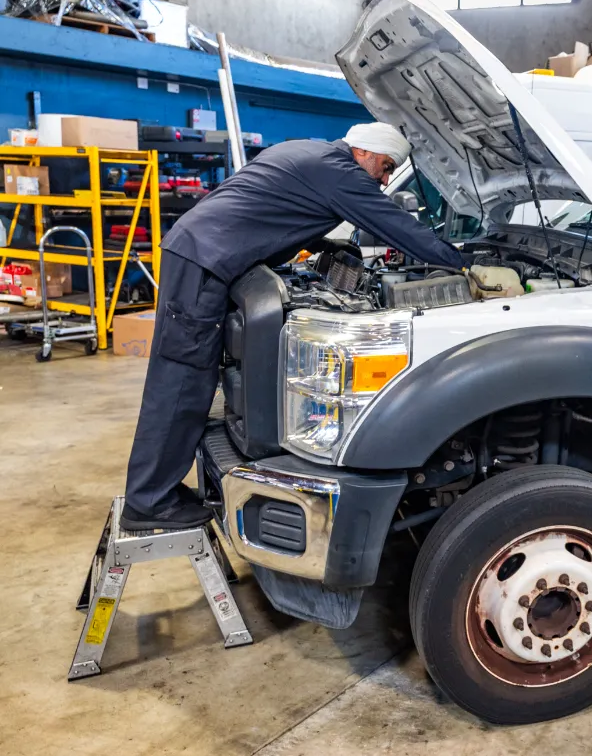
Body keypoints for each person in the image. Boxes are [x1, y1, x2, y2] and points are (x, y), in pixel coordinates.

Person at [121, 123, 462, 531]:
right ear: (365, 152)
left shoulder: (310, 150)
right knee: (180, 381)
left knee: (187, 378)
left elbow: (274, 204)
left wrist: (322, 244)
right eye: (386, 167)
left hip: (201, 253)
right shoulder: (342, 174)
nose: (386, 179)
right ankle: (149, 501)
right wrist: (461, 265)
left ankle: (158, 490)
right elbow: (398, 227)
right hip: (206, 261)